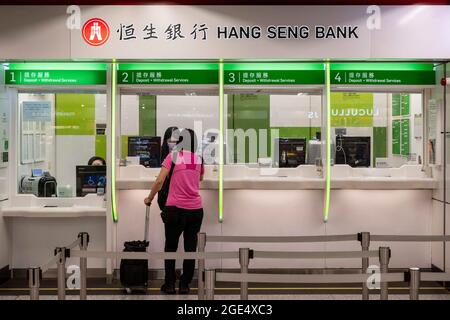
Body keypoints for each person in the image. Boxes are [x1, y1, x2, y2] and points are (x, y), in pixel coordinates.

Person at [144, 128, 204, 295]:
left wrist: (149, 198)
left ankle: (170, 284)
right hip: (195, 210)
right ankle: (185, 284)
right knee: (190, 248)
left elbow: (159, 181)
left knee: (170, 247)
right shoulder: (199, 159)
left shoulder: (174, 156)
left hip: (175, 209)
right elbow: (200, 179)